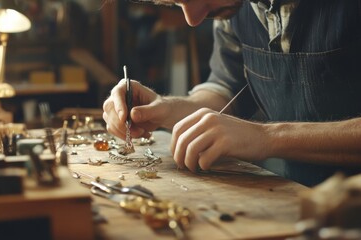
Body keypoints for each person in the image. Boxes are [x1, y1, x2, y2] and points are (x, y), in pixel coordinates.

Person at [103, 0, 361, 186]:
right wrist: (165, 109)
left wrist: (266, 138)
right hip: (300, 201)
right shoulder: (233, 9)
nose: (193, 18)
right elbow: (226, 90)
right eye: (174, 3)